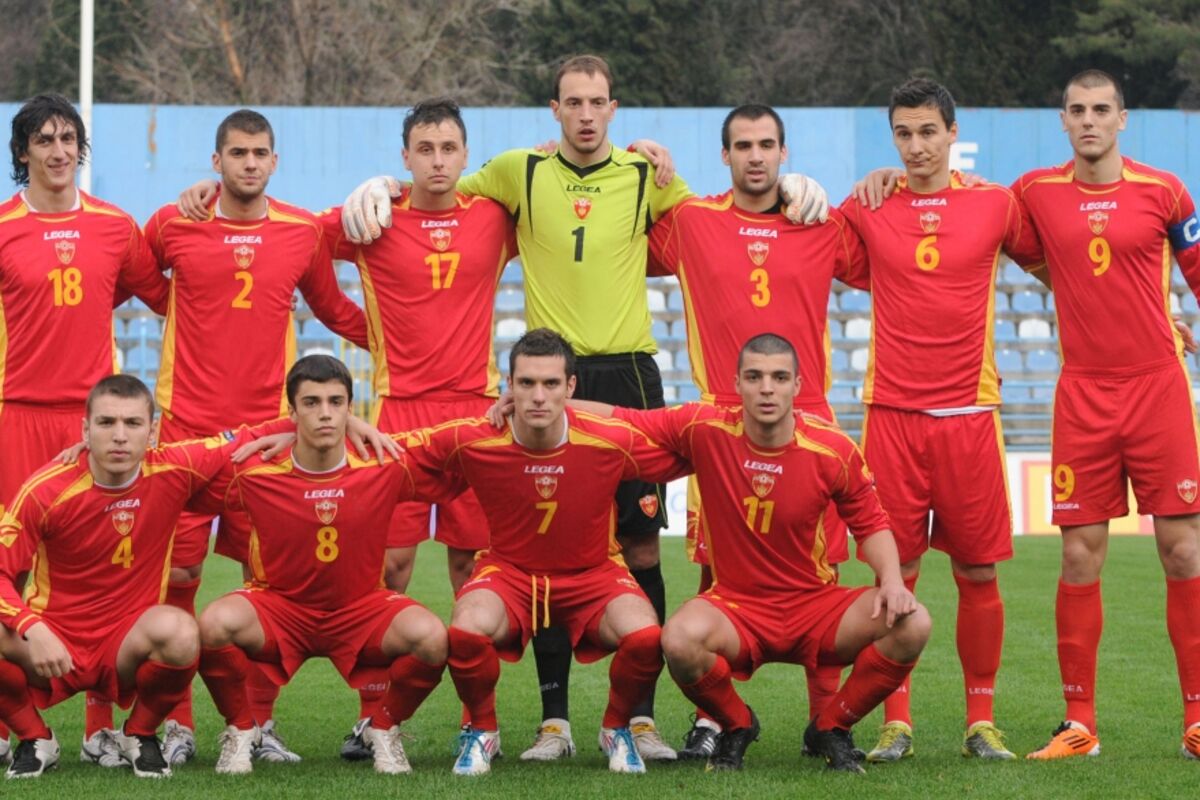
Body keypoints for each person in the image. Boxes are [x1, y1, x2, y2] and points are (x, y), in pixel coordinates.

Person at [337, 55, 829, 762]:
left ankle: (642, 719)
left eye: (598, 102)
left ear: (614, 108)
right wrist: (382, 185)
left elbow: (722, 219)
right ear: (555, 109)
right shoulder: (519, 171)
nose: (587, 114)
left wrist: (790, 188)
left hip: (629, 373)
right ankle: (555, 723)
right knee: (548, 551)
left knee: (640, 548)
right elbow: (436, 193)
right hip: (552, 378)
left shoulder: (645, 175)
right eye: (574, 102)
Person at [554, 333, 930, 773]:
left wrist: (892, 582)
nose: (766, 388)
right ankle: (737, 724)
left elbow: (872, 524)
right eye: (754, 377)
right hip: (736, 608)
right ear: (737, 384)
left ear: (797, 385)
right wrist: (548, 404)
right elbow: (626, 419)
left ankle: (832, 727)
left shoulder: (831, 448)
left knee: (913, 622)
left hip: (813, 605)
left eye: (779, 377)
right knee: (678, 639)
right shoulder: (705, 427)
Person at [140, 108, 369, 766]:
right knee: (176, 576)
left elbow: (332, 307)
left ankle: (256, 724)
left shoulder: (300, 231)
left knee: (267, 585)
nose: (248, 162)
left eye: (259, 153)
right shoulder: (173, 222)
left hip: (269, 439)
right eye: (237, 153)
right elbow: (135, 278)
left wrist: (406, 342)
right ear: (216, 162)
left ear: (274, 161)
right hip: (185, 431)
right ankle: (174, 723)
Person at [646, 102, 868, 758]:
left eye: (767, 144)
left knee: (821, 576)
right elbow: (608, 220)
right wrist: (642, 156)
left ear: (784, 152)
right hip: (723, 426)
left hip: (809, 423)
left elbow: (892, 252)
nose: (755, 156)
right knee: (715, 573)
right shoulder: (692, 221)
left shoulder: (820, 222)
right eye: (743, 145)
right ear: (725, 155)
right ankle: (715, 718)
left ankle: (827, 724)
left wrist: (875, 182)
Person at [833, 78, 1045, 763]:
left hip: (969, 416)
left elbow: (1058, 268)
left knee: (978, 573)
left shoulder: (995, 203)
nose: (917, 145)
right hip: (892, 417)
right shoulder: (869, 205)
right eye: (904, 133)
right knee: (896, 575)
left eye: (928, 131)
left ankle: (980, 723)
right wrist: (867, 183)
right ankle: (896, 723)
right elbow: (810, 245)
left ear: (953, 133)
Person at [1008, 69, 1200, 760]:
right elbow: (988, 226)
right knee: (1079, 553)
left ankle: (1197, 721)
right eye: (1076, 110)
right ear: (1062, 120)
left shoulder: (1165, 190)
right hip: (1083, 395)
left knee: (1183, 549)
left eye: (1100, 109)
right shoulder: (1033, 192)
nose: (1088, 120)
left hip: (1158, 390)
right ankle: (1079, 726)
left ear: (1123, 119)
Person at [315, 99, 512, 758]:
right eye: (423, 149)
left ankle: (478, 720)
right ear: (405, 156)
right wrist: (364, 329)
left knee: (471, 571)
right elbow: (299, 244)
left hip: (474, 415)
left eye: (448, 148)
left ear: (465, 154)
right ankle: (374, 716)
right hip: (397, 416)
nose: (436, 160)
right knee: (388, 570)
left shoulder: (494, 216)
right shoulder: (375, 217)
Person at [416, 328, 689, 776]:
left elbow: (688, 444)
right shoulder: (477, 437)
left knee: (644, 637)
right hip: (510, 574)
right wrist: (341, 429)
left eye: (551, 384)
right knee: (466, 629)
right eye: (526, 383)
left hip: (594, 574)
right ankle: (482, 730)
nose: (539, 396)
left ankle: (615, 728)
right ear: (509, 386)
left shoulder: (607, 438)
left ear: (570, 386)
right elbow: (400, 454)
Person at [0, 375, 285, 778]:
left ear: (152, 431)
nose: (119, 436)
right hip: (55, 641)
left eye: (132, 423)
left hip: (126, 645)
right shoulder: (45, 490)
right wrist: (33, 627)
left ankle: (139, 733)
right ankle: (35, 737)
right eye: (106, 422)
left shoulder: (174, 467)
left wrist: (348, 424)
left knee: (181, 632)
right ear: (85, 430)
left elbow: (247, 436)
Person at [0, 93, 169, 766]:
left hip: (97, 422)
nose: (59, 150)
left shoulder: (114, 225)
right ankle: (19, 726)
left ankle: (103, 726)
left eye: (68, 138)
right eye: (44, 139)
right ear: (23, 151)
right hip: (18, 414)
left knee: (102, 564)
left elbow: (163, 293)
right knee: (12, 568)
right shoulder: (3, 227)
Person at [193, 355, 455, 776]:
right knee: (212, 626)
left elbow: (457, 448)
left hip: (361, 608)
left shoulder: (383, 461)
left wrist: (515, 410)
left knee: (432, 638)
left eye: (336, 402)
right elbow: (180, 469)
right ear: (292, 411)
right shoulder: (254, 469)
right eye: (311, 403)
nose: (325, 413)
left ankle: (382, 728)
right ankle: (242, 729)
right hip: (280, 608)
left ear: (351, 408)